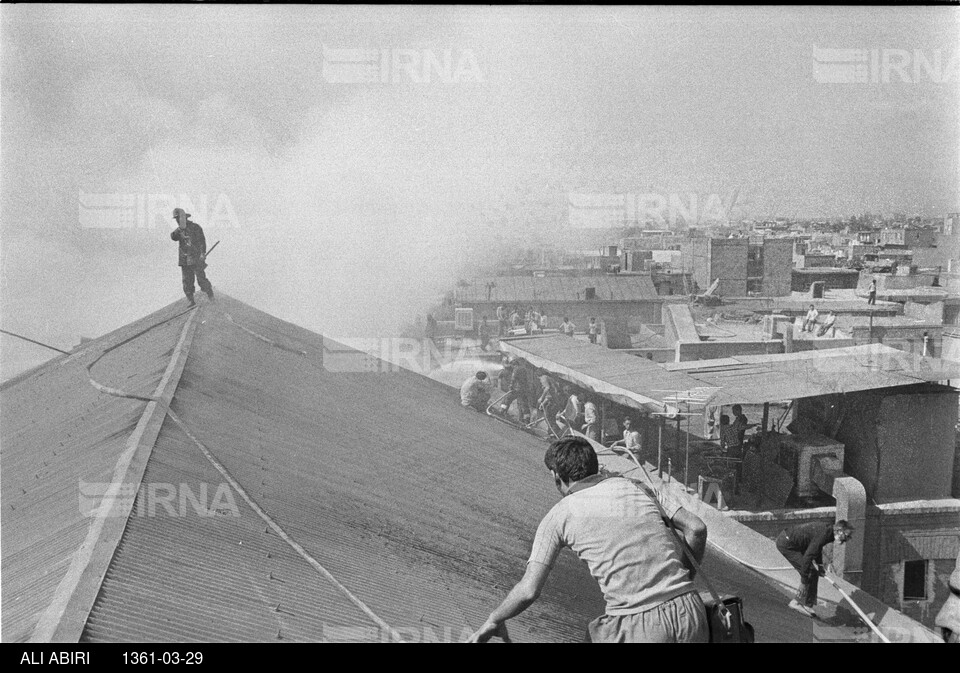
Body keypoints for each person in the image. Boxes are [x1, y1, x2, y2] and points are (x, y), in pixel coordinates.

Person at [467, 436, 709, 643]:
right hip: (691, 611)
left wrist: (494, 619)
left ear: (556, 475)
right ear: (595, 466)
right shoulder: (637, 487)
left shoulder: (559, 515)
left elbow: (528, 590)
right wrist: (683, 580)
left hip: (639, 623)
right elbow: (696, 528)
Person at [776, 520, 854, 617]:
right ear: (839, 530)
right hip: (787, 543)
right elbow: (808, 557)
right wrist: (803, 581)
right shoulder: (825, 533)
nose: (846, 539)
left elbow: (817, 548)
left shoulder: (828, 532)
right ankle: (796, 602)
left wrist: (820, 565)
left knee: (813, 572)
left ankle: (807, 604)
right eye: (846, 535)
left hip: (795, 542)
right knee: (809, 572)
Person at [170, 207, 214, 306]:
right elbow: (173, 237)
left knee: (201, 279)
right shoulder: (179, 230)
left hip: (196, 258)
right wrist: (180, 229)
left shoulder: (195, 227)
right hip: (184, 260)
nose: (178, 220)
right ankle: (191, 300)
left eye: (179, 218)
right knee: (187, 281)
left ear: (185, 218)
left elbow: (202, 242)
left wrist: (203, 254)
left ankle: (211, 296)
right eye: (176, 219)